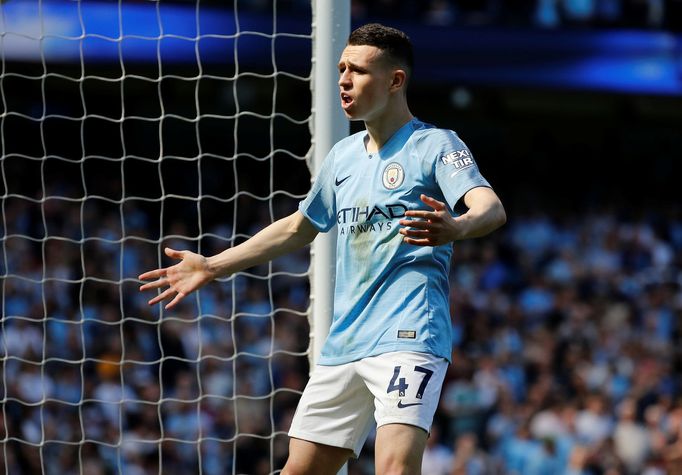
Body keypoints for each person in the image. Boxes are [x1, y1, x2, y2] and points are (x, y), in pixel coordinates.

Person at [139, 22, 506, 475]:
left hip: (409, 334)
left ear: (395, 81)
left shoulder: (434, 145)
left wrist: (458, 225)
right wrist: (213, 265)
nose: (344, 80)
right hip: (345, 341)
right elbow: (298, 227)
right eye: (341, 69)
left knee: (394, 467)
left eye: (357, 71)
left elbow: (489, 207)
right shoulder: (343, 157)